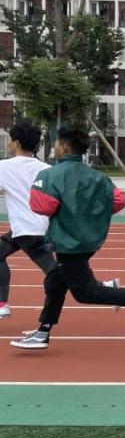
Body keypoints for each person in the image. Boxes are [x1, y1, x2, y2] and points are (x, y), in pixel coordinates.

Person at [11, 123, 125, 350]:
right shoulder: (98, 177)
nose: (54, 147)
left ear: (64, 147)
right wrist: (88, 214)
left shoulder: (50, 174)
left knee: (84, 292)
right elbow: (118, 201)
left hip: (68, 242)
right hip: (89, 240)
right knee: (54, 282)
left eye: (56, 143)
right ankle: (42, 332)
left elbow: (41, 206)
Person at [0, 121, 56, 319]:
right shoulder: (47, 169)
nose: (8, 143)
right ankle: (2, 304)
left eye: (10, 140)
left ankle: (104, 288)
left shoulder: (4, 167)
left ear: (16, 143)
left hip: (28, 232)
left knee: (54, 273)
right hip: (36, 228)